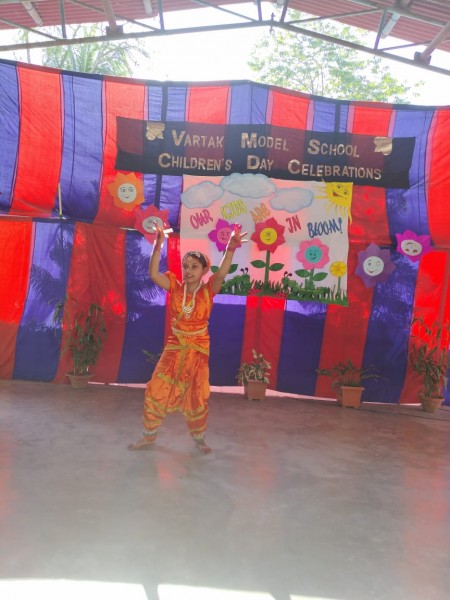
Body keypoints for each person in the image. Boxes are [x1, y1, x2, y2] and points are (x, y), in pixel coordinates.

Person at [128, 224, 247, 454]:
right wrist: (158, 244)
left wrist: (230, 248)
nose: (188, 270)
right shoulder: (175, 287)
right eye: (185, 266)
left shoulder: (208, 291)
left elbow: (222, 273)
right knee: (156, 388)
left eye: (194, 267)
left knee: (196, 395)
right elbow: (153, 274)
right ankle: (148, 436)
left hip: (198, 349)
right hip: (175, 346)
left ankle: (199, 439)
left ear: (204, 270)